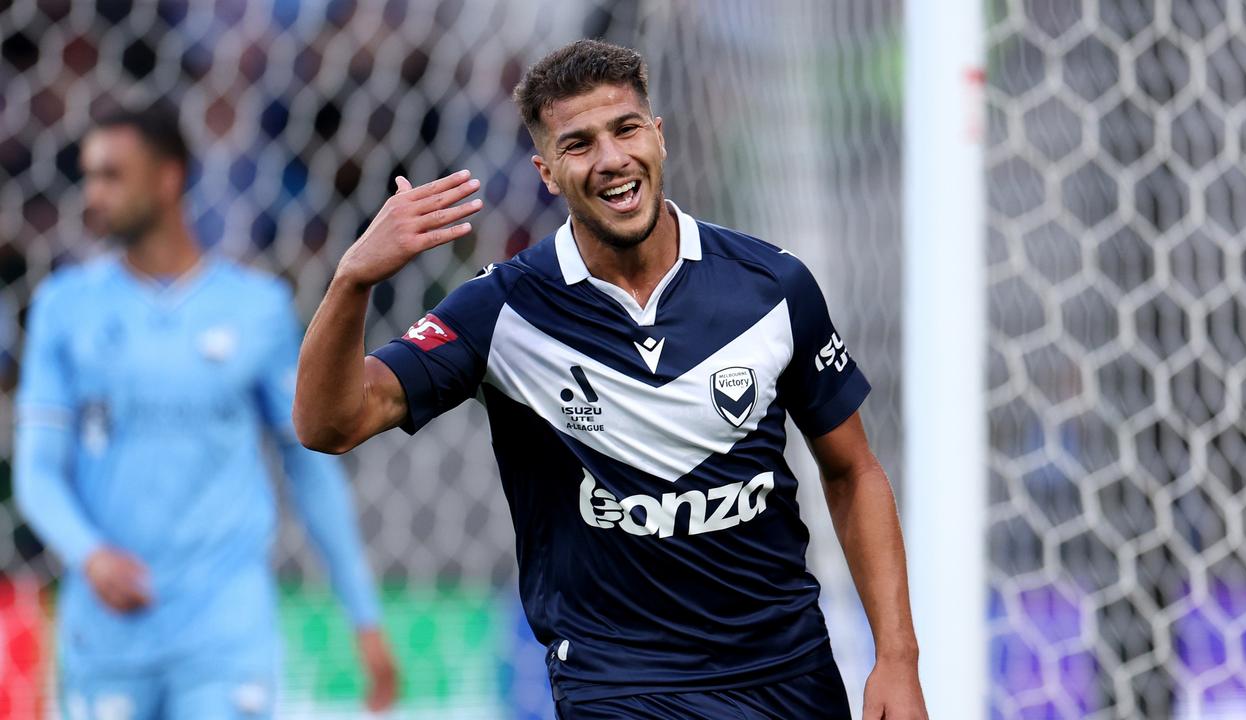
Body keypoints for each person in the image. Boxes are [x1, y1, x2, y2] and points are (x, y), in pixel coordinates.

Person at [295, 39, 928, 719]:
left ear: (658, 137)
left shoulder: (771, 286)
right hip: (617, 685)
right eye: (579, 144)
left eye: (626, 129)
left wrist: (896, 659)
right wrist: (352, 280)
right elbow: (329, 423)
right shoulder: (503, 309)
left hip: (785, 673)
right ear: (546, 172)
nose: (611, 159)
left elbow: (853, 471)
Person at [14, 104, 398, 718]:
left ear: (168, 179)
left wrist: (364, 615)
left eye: (112, 175)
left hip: (224, 631)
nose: (93, 194)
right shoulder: (64, 307)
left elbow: (311, 466)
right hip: (107, 632)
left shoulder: (256, 308)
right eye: (89, 176)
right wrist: (89, 553)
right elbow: (36, 471)